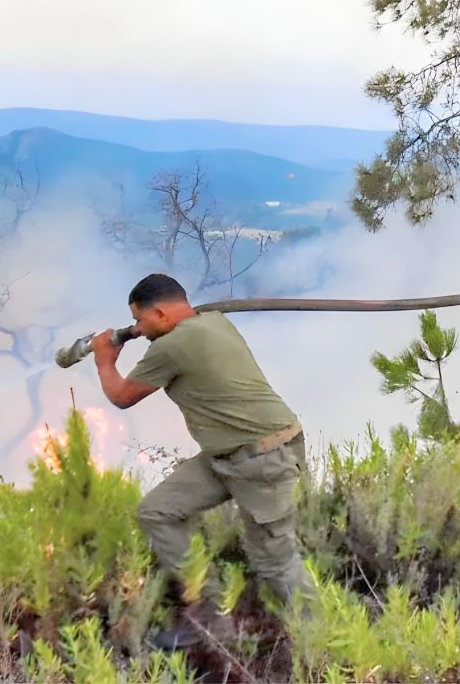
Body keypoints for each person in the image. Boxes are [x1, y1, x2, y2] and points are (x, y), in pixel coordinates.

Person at [91, 273, 313, 649]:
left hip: (262, 459)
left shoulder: (172, 346)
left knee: (274, 561)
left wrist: (103, 360)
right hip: (227, 456)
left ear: (161, 313)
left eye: (141, 321)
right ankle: (213, 614)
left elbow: (122, 396)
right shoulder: (212, 320)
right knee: (157, 512)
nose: (138, 330)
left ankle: (320, 639)